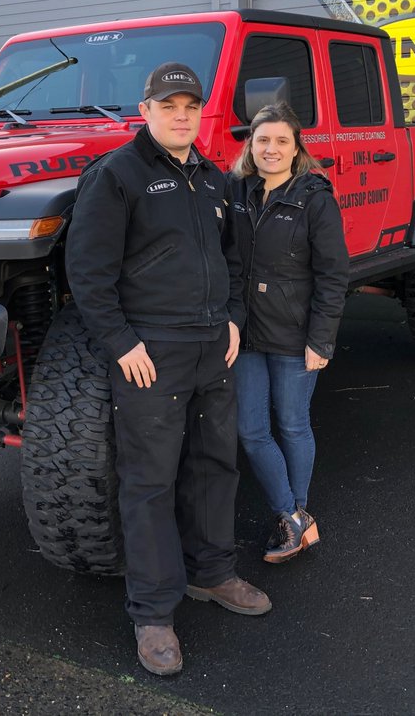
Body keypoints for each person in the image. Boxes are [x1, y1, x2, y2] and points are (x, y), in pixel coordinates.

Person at [66, 62, 271, 678]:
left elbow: (234, 258)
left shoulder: (213, 180)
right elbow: (88, 272)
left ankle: (212, 574)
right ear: (145, 110)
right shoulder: (116, 176)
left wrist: (234, 317)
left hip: (214, 346)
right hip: (150, 355)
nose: (181, 114)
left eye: (190, 104)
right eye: (169, 104)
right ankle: (153, 613)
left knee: (214, 465)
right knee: (150, 481)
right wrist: (121, 343)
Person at [227, 103, 349, 564]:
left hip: (297, 336)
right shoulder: (237, 190)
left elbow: (333, 274)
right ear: (251, 145)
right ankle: (294, 517)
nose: (271, 149)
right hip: (248, 335)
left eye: (282, 141)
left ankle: (292, 515)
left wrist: (322, 340)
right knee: (251, 430)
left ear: (297, 148)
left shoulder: (314, 197)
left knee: (293, 424)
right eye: (263, 140)